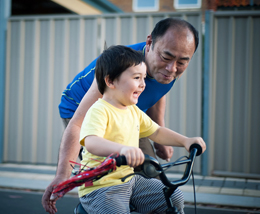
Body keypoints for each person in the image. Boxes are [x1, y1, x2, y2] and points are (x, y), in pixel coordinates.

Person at [42, 18, 199, 213]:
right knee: (107, 172)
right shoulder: (118, 71)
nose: (172, 69)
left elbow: (157, 95)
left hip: (128, 111)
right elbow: (79, 126)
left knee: (157, 181)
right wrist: (62, 175)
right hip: (81, 110)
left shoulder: (165, 72)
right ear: (149, 43)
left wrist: (163, 142)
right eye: (166, 58)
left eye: (182, 62)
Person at [77, 45, 206, 213]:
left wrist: (186, 141)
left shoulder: (132, 110)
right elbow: (91, 141)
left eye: (144, 78)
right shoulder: (99, 110)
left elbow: (157, 132)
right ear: (110, 81)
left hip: (129, 180)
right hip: (100, 186)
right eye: (137, 78)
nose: (143, 84)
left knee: (174, 198)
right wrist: (122, 149)